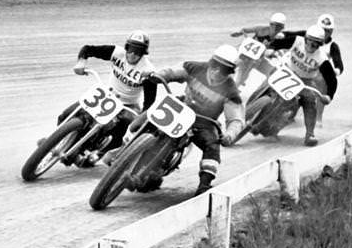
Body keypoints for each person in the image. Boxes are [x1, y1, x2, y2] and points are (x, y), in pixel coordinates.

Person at [144, 44, 245, 196]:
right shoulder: (194, 68)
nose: (217, 71)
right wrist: (159, 75)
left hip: (203, 123)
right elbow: (172, 72)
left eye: (223, 69)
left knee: (212, 146)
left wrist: (229, 135)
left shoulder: (231, 91)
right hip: (181, 108)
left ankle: (204, 185)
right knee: (148, 114)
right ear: (210, 62)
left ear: (229, 72)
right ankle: (126, 144)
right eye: (215, 65)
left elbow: (236, 119)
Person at [62, 30, 158, 165]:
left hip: (128, 105)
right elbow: (88, 49)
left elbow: (150, 101)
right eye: (130, 49)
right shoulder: (116, 53)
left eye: (138, 51)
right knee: (66, 114)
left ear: (144, 53)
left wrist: (141, 118)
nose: (133, 54)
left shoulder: (147, 70)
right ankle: (58, 142)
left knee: (126, 128)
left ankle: (99, 154)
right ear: (126, 47)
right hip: (106, 94)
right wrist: (81, 62)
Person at [267, 25, 337, 146]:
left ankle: (310, 134)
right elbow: (278, 43)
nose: (311, 45)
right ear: (305, 38)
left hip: (304, 81)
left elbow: (332, 80)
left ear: (320, 44)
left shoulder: (322, 59)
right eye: (309, 41)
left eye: (316, 43)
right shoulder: (296, 41)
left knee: (310, 101)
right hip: (286, 71)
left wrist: (329, 96)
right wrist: (270, 49)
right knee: (269, 78)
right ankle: (255, 104)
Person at [230, 12, 288, 87]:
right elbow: (244, 30)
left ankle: (266, 90)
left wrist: (275, 53)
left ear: (282, 28)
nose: (275, 28)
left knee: (274, 73)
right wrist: (238, 33)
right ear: (270, 24)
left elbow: (279, 50)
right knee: (239, 78)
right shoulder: (261, 29)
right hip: (245, 58)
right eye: (273, 25)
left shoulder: (280, 38)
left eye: (278, 26)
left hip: (259, 61)